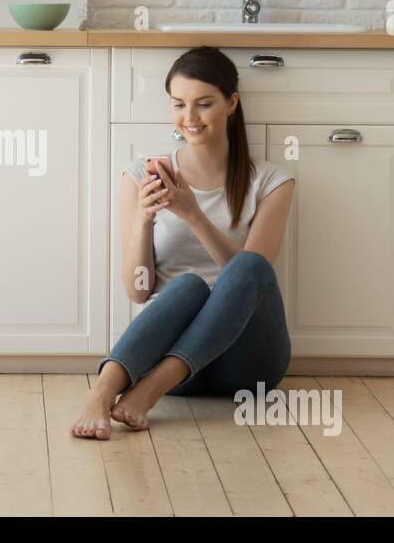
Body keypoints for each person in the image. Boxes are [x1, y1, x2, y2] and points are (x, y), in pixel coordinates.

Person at [71, 47, 296, 440]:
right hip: (171, 362)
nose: (189, 118)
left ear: (231, 103)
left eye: (204, 104)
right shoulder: (142, 173)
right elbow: (138, 292)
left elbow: (253, 276)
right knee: (187, 286)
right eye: (179, 104)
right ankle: (103, 391)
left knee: (250, 265)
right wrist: (144, 219)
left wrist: (193, 213)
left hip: (247, 367)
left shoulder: (271, 182)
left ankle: (148, 392)